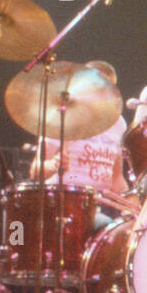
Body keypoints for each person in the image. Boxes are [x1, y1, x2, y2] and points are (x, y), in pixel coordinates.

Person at [29, 60, 128, 228]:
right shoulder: (62, 117)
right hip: (64, 202)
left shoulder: (118, 123)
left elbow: (116, 178)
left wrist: (133, 204)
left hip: (101, 204)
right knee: (105, 227)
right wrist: (54, 165)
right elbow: (35, 171)